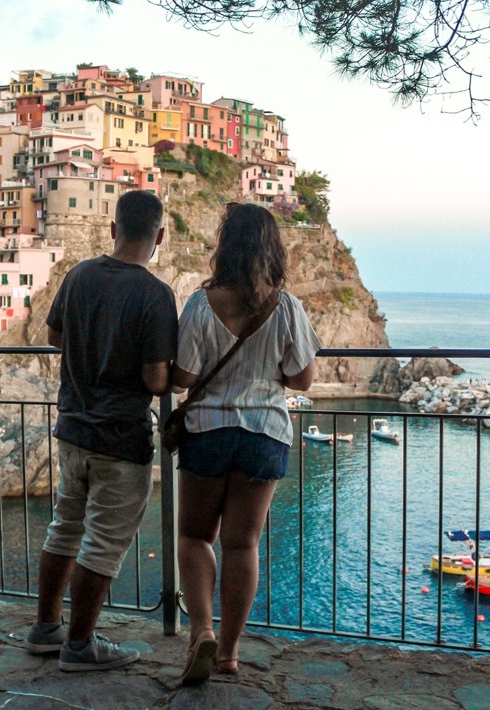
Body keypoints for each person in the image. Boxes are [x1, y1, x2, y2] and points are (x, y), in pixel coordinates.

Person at [26, 190, 178, 672]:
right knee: (103, 543)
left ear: (113, 230)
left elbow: (53, 336)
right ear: (158, 237)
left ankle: (46, 627)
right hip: (119, 438)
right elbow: (156, 381)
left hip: (72, 428)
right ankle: (79, 644)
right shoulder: (156, 295)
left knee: (65, 528)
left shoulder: (79, 275)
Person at [172, 203, 321, 684]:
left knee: (195, 538)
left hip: (209, 431)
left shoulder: (201, 304)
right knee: (243, 545)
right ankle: (230, 653)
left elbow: (183, 378)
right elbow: (303, 379)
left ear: (225, 245)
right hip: (265, 435)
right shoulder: (288, 307)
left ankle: (201, 632)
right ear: (271, 248)